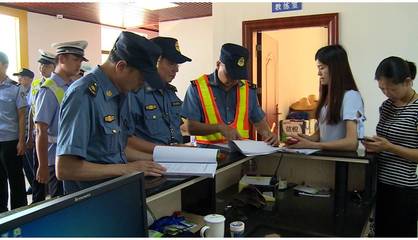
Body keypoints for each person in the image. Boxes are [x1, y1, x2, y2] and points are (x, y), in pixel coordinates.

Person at [56, 31, 166, 195]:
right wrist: (127, 169)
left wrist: (152, 162)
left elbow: (117, 150)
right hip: (91, 202)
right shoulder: (84, 95)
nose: (141, 86)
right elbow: (66, 168)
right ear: (121, 67)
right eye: (141, 79)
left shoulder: (122, 93)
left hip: (117, 192)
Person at [363, 56, 418, 237]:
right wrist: (375, 144)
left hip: (404, 188)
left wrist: (389, 147)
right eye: (382, 88)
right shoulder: (386, 106)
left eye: (392, 88)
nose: (386, 93)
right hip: (378, 182)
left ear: (408, 82)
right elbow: (387, 138)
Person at [181, 43, 278, 146]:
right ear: (218, 64)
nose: (233, 80)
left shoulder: (248, 90)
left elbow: (260, 123)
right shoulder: (197, 88)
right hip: (208, 156)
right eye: (230, 74)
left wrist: (270, 136)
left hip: (240, 155)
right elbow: (188, 128)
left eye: (238, 76)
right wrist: (219, 128)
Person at [34, 40, 88, 201]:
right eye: (75, 59)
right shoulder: (49, 89)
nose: (79, 64)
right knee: (61, 202)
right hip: (55, 160)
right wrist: (43, 166)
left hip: (75, 156)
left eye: (80, 60)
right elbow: (40, 131)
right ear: (62, 59)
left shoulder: (74, 86)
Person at [288, 45, 365, 151]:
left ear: (335, 69)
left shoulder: (351, 96)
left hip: (340, 162)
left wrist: (313, 145)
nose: (318, 73)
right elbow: (320, 136)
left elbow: (351, 143)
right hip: (326, 160)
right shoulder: (327, 97)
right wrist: (304, 139)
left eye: (322, 68)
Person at [130, 36, 191, 149]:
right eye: (171, 63)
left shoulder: (170, 94)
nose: (176, 70)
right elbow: (126, 139)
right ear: (155, 62)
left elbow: (182, 126)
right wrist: (165, 151)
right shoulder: (135, 93)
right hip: (148, 161)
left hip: (174, 159)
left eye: (177, 65)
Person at [0, 51, 28, 212]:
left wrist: (21, 141)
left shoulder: (16, 89)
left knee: (16, 180)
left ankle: (19, 213)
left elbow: (22, 116)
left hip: (11, 142)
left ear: (5, 66)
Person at [29, 49, 56, 202]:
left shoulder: (54, 87)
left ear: (53, 66)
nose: (42, 68)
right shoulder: (35, 84)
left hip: (50, 139)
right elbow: (31, 111)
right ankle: (37, 201)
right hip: (37, 134)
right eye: (41, 65)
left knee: (50, 172)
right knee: (37, 169)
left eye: (46, 65)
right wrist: (29, 134)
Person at [13, 68, 35, 195]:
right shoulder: (18, 91)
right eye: (18, 77)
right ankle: (32, 183)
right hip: (21, 133)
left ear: (30, 79)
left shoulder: (34, 91)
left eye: (22, 77)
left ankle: (38, 184)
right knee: (25, 163)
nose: (19, 79)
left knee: (31, 162)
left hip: (30, 134)